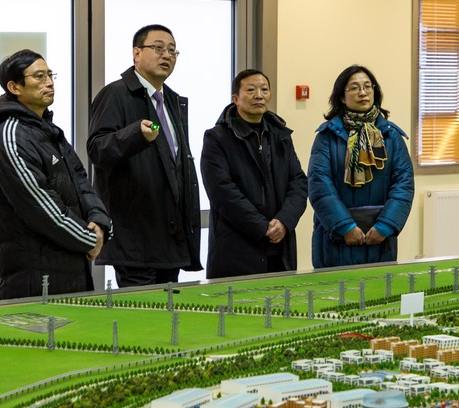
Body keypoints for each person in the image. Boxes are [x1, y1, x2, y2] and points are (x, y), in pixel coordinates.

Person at [0, 49, 110, 300]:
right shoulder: (10, 137)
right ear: (14, 87)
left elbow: (81, 180)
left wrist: (99, 221)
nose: (49, 82)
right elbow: (41, 207)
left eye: (50, 75)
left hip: (69, 266)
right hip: (32, 276)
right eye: (39, 76)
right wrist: (89, 238)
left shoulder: (48, 130)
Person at [87, 24, 201, 287]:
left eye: (172, 51)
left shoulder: (171, 100)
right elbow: (97, 149)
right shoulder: (116, 94)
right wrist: (135, 135)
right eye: (158, 48)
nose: (167, 55)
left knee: (169, 310)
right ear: (136, 53)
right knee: (143, 310)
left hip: (169, 235)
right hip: (135, 236)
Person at [200, 69, 308, 278]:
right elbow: (222, 191)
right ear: (235, 98)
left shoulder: (280, 135)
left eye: (264, 90)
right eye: (251, 90)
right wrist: (262, 227)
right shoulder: (217, 138)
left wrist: (284, 221)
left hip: (280, 247)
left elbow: (298, 182)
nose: (259, 95)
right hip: (236, 247)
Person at [308, 64, 414, 267]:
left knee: (379, 287)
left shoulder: (391, 136)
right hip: (336, 239)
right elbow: (319, 186)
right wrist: (345, 226)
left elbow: (404, 185)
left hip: (380, 238)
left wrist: (385, 226)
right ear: (342, 96)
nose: (363, 92)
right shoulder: (327, 137)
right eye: (354, 88)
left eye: (367, 86)